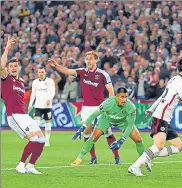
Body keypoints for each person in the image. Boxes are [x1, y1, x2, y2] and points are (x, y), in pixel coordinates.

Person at [128, 59, 182, 176]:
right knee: (159, 145)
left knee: (179, 146)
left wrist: (151, 108)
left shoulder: (173, 79)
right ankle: (135, 166)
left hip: (165, 119)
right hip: (161, 117)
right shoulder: (181, 84)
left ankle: (148, 156)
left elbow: (162, 96)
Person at [48, 51, 121, 164]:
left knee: (107, 131)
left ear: (96, 60)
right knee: (87, 132)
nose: (88, 61)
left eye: (91, 59)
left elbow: (111, 92)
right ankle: (93, 158)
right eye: (87, 59)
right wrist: (57, 66)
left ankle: (117, 158)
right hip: (86, 108)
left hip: (100, 107)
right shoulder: (82, 72)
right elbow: (67, 71)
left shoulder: (103, 74)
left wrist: (109, 106)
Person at [1, 37, 45, 174]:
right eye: (11, 66)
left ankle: (30, 166)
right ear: (8, 69)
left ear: (19, 68)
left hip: (24, 115)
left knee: (41, 139)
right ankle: (20, 164)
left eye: (16, 66)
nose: (14, 68)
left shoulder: (20, 82)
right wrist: (7, 49)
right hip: (14, 116)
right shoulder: (6, 79)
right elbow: (1, 66)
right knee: (33, 138)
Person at [71, 87, 147, 166]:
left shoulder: (131, 107)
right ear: (116, 97)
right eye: (122, 97)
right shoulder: (108, 103)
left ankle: (144, 160)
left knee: (138, 139)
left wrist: (121, 140)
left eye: (126, 97)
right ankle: (79, 158)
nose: (124, 99)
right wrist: (82, 128)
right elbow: (94, 115)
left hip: (122, 121)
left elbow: (130, 125)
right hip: (106, 119)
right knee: (93, 138)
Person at [28, 66, 55, 147]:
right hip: (38, 106)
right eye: (39, 72)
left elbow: (53, 92)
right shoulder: (35, 82)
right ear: (37, 73)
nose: (41, 74)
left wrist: (49, 99)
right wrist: (30, 104)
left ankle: (47, 140)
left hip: (47, 107)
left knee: (47, 124)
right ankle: (38, 138)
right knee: (36, 124)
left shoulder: (50, 81)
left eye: (42, 72)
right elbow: (33, 94)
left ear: (45, 72)